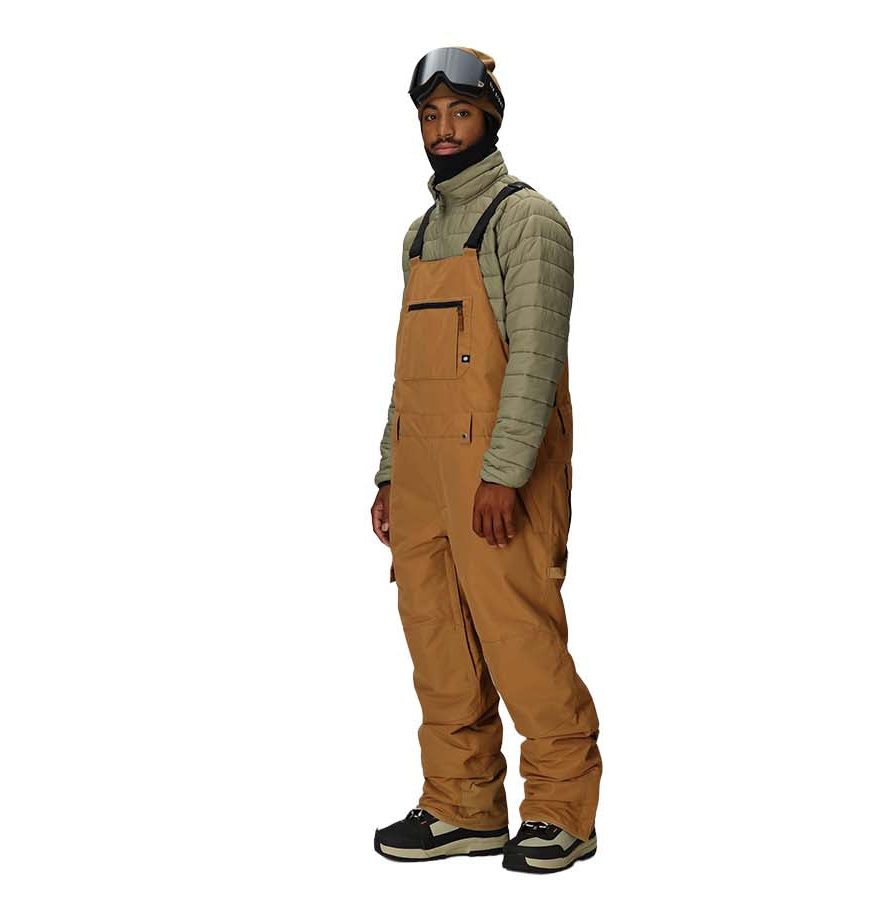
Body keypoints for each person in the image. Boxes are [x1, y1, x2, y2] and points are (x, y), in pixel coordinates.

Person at [368, 47, 601, 874]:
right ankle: (460, 805)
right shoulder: (420, 234)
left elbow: (535, 359)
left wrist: (504, 473)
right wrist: (390, 473)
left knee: (518, 638)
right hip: (425, 476)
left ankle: (561, 811)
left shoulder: (525, 219)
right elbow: (407, 373)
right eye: (429, 116)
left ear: (489, 118)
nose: (441, 130)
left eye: (458, 113)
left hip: (498, 469)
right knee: (438, 644)